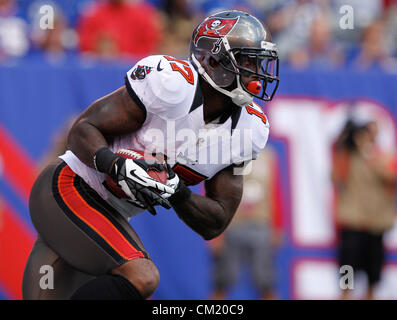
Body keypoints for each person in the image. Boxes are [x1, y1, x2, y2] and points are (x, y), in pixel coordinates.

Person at [22, 10, 280, 300]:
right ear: (213, 60)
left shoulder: (250, 129)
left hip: (110, 214)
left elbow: (216, 221)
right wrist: (116, 164)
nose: (256, 70)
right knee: (141, 275)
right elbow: (83, 129)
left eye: (258, 61)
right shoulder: (171, 84)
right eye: (247, 61)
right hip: (70, 187)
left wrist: (178, 192)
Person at [332, 117, 397, 300]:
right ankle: (345, 296)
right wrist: (343, 144)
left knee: (373, 274)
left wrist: (367, 152)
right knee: (348, 270)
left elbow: (390, 176)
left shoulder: (386, 155)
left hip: (376, 223)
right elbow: (336, 177)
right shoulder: (349, 156)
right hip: (353, 222)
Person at [209, 147, 282, 300]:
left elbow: (275, 192)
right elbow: (215, 192)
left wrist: (277, 227)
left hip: (261, 225)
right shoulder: (227, 154)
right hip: (231, 224)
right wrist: (215, 231)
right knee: (221, 281)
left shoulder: (268, 156)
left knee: (266, 281)